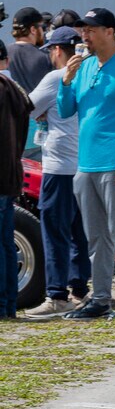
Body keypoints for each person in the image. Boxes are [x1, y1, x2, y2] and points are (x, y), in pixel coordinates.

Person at [56, 8, 115, 320]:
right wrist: (66, 81)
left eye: (92, 30)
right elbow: (67, 108)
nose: (85, 35)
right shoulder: (83, 67)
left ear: (110, 31)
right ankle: (100, 299)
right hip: (86, 165)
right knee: (95, 237)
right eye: (84, 30)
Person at [19, 27, 95, 318]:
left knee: (54, 232)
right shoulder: (91, 76)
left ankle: (56, 296)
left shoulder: (55, 78)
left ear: (59, 50)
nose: (50, 54)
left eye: (51, 49)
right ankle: (79, 291)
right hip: (84, 164)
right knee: (80, 233)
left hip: (58, 166)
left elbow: (26, 107)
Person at [0, 40, 27, 317]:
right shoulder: (15, 90)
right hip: (11, 174)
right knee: (6, 243)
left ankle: (3, 307)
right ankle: (7, 306)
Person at [7, 7, 53, 93]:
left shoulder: (4, 55)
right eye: (41, 27)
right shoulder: (45, 57)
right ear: (33, 30)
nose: (43, 31)